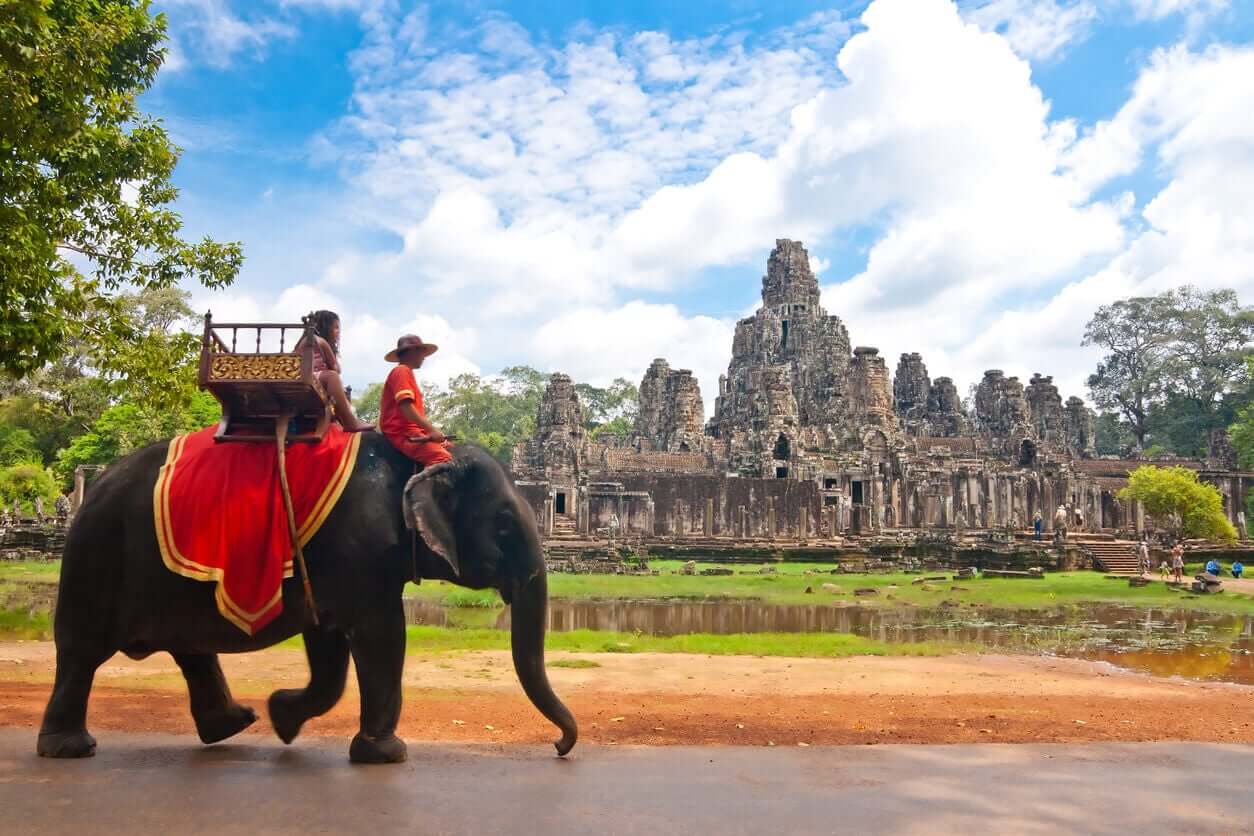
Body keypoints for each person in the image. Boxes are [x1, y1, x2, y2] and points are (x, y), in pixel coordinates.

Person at [379, 334, 453, 467]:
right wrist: (431, 430)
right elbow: (406, 407)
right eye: (422, 352)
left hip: (413, 431)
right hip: (402, 433)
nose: (424, 357)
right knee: (442, 458)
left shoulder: (406, 372)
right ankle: (418, 488)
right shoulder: (401, 371)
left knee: (450, 447)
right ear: (412, 351)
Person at [297, 310, 374, 432]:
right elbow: (336, 368)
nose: (338, 332)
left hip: (304, 377)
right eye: (336, 328)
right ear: (325, 328)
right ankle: (350, 421)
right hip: (312, 378)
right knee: (332, 377)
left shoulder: (302, 342)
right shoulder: (321, 341)